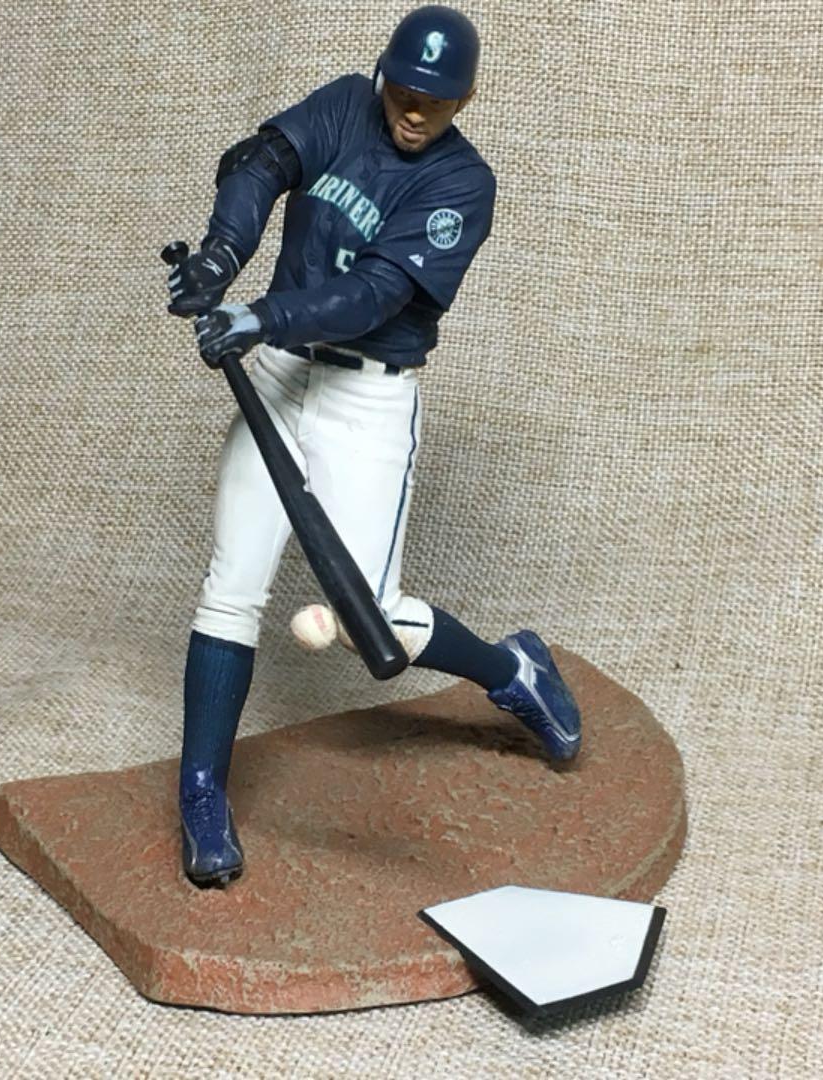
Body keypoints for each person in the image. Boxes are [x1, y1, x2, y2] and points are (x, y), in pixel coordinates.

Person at [166, 5, 581, 887]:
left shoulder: (463, 184)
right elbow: (260, 163)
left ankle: (513, 668)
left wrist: (258, 315)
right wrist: (220, 256)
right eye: (405, 89)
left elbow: (374, 296)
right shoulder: (346, 104)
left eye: (437, 97)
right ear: (384, 72)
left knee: (373, 623)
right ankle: (202, 791)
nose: (415, 109)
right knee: (231, 586)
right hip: (280, 374)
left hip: (366, 397)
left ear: (466, 97)